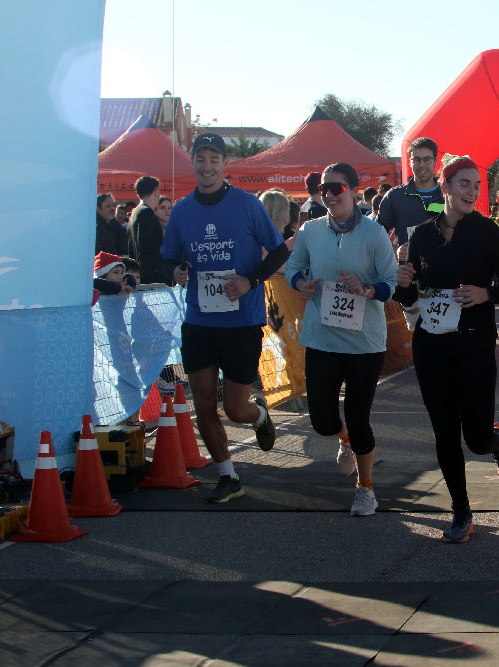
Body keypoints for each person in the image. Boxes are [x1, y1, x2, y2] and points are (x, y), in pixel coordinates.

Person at [393, 154, 499, 543]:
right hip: (431, 343)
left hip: (474, 341)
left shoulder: (487, 232)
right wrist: (402, 279)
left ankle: (497, 443)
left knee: (475, 438)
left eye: (476, 185)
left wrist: (487, 293)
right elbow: (407, 295)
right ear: (445, 187)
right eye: (464, 184)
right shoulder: (422, 235)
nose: (471, 191)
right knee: (444, 430)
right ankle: (461, 512)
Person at [161, 132, 289, 503]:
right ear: (193, 163)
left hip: (241, 321)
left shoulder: (247, 205)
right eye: (201, 158)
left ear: (224, 164)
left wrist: (250, 281)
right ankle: (227, 475)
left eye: (214, 159)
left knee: (234, 407)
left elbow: (278, 252)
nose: (207, 165)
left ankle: (260, 416)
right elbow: (169, 257)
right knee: (202, 401)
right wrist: (177, 271)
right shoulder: (183, 211)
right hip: (199, 319)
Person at [286, 163, 397, 516]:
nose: (329, 195)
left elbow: (391, 283)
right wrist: (300, 284)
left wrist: (364, 289)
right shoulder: (310, 231)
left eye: (336, 188)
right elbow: (292, 268)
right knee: (321, 420)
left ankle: (365, 489)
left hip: (364, 341)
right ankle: (345, 440)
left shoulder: (375, 233)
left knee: (358, 414)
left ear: (352, 189)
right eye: (323, 189)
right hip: (322, 336)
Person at [379, 137, 444, 245]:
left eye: (427, 159)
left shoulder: (448, 195)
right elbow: (377, 235)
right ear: (410, 162)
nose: (422, 164)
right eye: (417, 160)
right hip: (408, 261)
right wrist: (393, 252)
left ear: (435, 161)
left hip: (443, 261)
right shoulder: (394, 197)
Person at [128, 176, 170, 284]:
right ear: (155, 191)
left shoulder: (135, 212)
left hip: (140, 270)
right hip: (151, 274)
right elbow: (147, 246)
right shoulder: (146, 212)